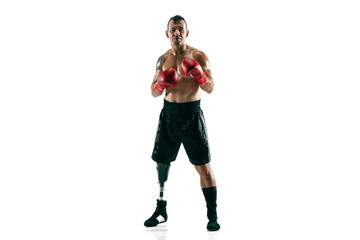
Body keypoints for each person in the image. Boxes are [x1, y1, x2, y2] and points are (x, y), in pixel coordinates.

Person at [144, 15, 220, 231]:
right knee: (161, 162)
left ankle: (212, 215)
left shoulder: (199, 56)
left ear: (187, 33)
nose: (177, 33)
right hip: (168, 114)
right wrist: (159, 85)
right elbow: (152, 92)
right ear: (167, 34)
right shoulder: (162, 59)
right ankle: (161, 210)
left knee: (203, 166)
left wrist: (200, 77)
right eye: (173, 30)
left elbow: (211, 88)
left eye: (180, 29)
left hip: (191, 115)